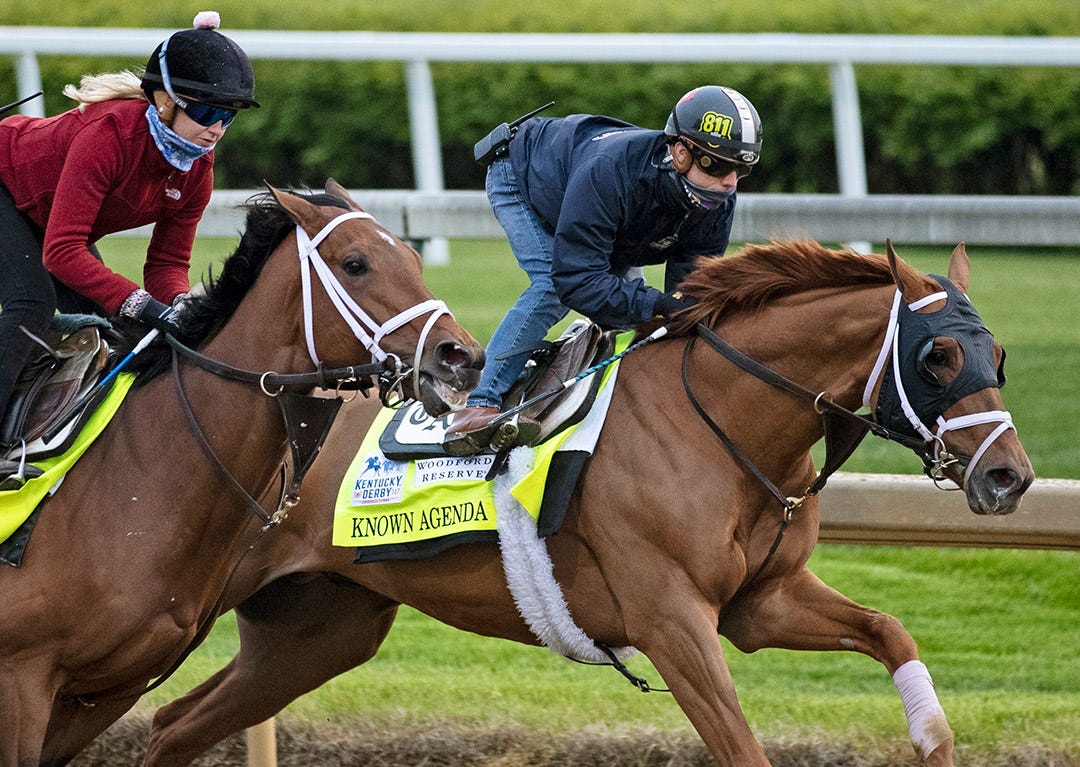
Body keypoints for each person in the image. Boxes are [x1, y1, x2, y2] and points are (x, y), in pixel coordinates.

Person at [443, 85, 763, 456]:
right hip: (521, 175)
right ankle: (479, 406)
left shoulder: (717, 198)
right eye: (719, 165)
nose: (730, 181)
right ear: (679, 152)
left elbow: (688, 296)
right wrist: (657, 303)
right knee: (551, 283)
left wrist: (677, 309)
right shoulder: (609, 170)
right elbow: (575, 281)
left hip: (601, 204)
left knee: (637, 317)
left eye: (742, 169)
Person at [0, 11, 258, 438]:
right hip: (7, 189)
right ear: (164, 100)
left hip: (44, 217)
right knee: (33, 303)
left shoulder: (197, 169)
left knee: (125, 332)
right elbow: (62, 252)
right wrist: (142, 304)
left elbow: (167, 265)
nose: (216, 129)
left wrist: (178, 306)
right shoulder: (108, 136)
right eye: (207, 110)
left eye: (228, 116)